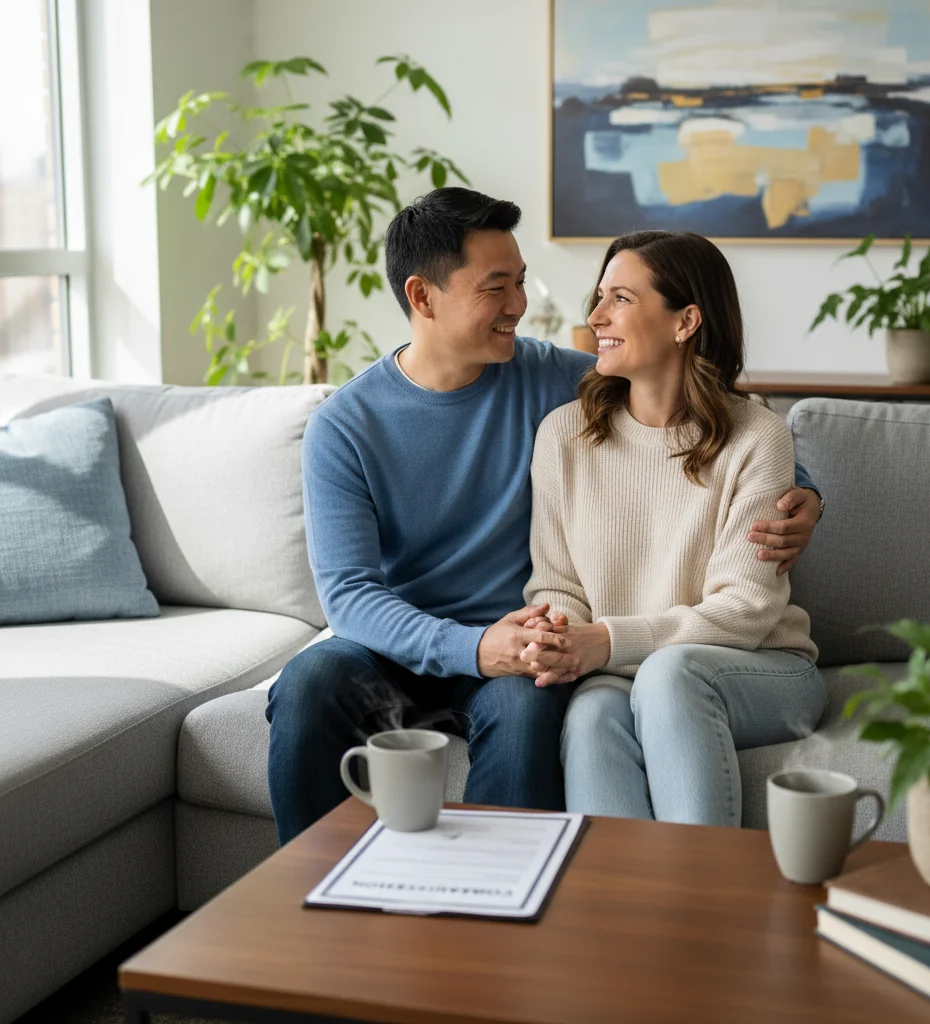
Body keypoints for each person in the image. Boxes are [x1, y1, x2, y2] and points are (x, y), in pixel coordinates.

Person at [265, 190, 823, 843]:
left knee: (530, 711)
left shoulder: (552, 379)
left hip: (524, 640)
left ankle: (503, 920)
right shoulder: (345, 426)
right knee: (309, 684)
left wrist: (805, 491)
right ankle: (309, 895)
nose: (519, 306)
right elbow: (350, 597)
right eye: (495, 287)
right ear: (423, 297)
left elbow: (688, 399)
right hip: (403, 645)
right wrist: (472, 647)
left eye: (521, 282)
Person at [521, 230, 827, 826]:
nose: (596, 315)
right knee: (588, 715)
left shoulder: (756, 436)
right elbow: (557, 585)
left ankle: (703, 911)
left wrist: (607, 640)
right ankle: (622, 914)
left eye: (622, 299)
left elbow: (746, 609)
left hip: (760, 667)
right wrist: (558, 634)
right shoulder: (564, 434)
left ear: (686, 321)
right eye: (599, 295)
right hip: (622, 673)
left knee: (669, 674)